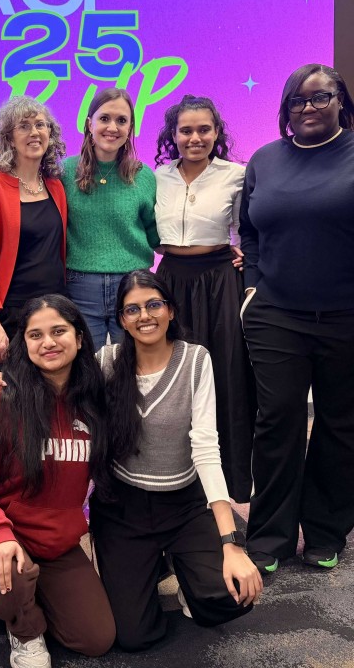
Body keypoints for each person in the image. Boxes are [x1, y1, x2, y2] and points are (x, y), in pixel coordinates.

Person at [90, 270, 261, 650]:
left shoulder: (196, 359)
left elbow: (205, 448)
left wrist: (231, 545)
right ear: (121, 319)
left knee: (231, 598)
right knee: (134, 636)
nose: (144, 316)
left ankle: (185, 574)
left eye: (153, 304)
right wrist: (3, 383)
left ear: (170, 310)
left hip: (184, 504)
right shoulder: (107, 362)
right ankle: (156, 563)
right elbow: (56, 389)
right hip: (123, 509)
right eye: (131, 309)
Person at [0, 294, 116, 667]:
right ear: (23, 343)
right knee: (9, 579)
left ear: (80, 337)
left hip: (52, 540)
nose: (49, 343)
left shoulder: (95, 401)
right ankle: (24, 628)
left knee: (96, 638)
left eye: (59, 331)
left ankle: (32, 592)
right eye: (35, 335)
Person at [239, 63, 354, 574]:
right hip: (276, 315)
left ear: (340, 102)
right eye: (298, 101)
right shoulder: (265, 160)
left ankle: (327, 531)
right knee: (277, 423)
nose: (308, 107)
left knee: (340, 425)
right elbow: (249, 232)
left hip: (347, 316)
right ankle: (271, 537)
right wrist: (251, 289)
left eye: (320, 97)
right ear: (285, 111)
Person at [154, 95, 256, 502]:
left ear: (216, 133)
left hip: (219, 282)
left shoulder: (236, 174)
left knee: (225, 377)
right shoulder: (155, 177)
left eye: (203, 129)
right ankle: (176, 485)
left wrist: (247, 253)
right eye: (186, 130)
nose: (195, 138)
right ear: (172, 135)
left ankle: (227, 487)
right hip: (171, 282)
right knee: (173, 378)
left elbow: (246, 230)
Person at [0, 96, 67, 374]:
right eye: (24, 126)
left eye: (40, 125)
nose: (34, 132)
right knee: (14, 404)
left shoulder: (55, 186)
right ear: (9, 138)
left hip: (55, 310)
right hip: (10, 316)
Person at [62, 88, 158, 347]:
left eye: (122, 120)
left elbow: (157, 233)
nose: (112, 127)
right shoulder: (63, 172)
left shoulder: (144, 176)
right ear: (88, 123)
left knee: (132, 368)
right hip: (79, 286)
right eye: (104, 118)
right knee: (87, 371)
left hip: (133, 286)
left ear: (131, 128)